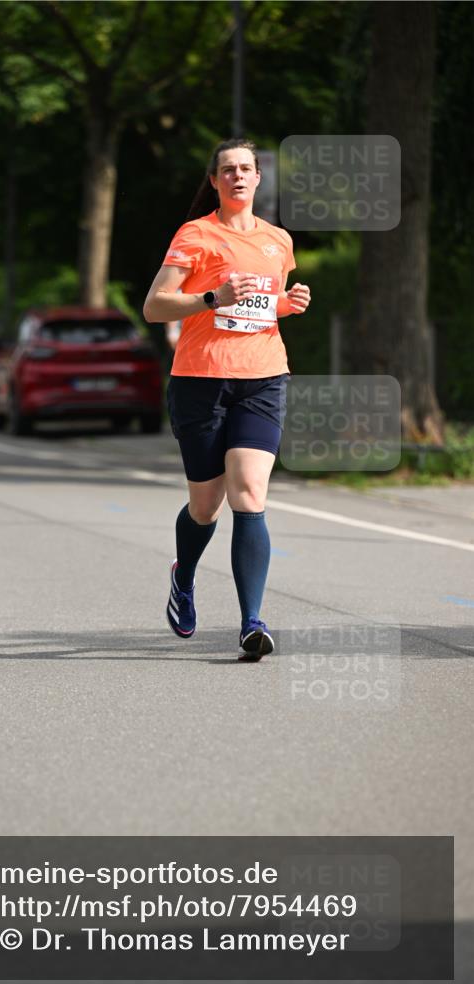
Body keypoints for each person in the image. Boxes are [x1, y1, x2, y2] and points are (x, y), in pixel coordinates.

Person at [143, 138, 311, 661]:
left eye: (246, 169)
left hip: (263, 378)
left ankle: (251, 624)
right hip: (201, 379)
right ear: (214, 182)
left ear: (259, 178)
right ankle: (184, 576)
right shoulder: (196, 235)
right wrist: (212, 297)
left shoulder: (278, 241)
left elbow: (261, 308)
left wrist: (287, 303)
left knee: (249, 493)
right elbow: (154, 307)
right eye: (227, 170)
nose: (237, 176)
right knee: (205, 504)